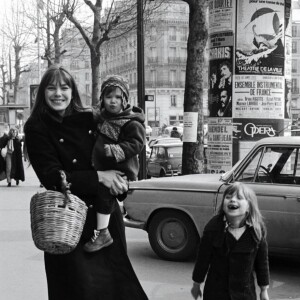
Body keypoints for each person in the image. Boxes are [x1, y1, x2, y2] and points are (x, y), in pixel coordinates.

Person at [24, 65, 148, 300]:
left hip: (103, 221)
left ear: (73, 91)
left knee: (117, 287)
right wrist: (101, 177)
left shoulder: (89, 117)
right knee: (77, 289)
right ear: (43, 93)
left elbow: (123, 143)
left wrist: (121, 180)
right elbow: (52, 177)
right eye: (51, 88)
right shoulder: (36, 126)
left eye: (64, 87)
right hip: (67, 223)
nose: (58, 93)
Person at [83, 75, 146, 253]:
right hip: (102, 168)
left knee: (105, 194)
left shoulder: (131, 122)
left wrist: (114, 150)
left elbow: (137, 144)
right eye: (109, 97)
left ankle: (102, 232)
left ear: (125, 99)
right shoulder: (100, 118)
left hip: (121, 171)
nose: (113, 101)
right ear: (102, 99)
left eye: (118, 97)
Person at [191, 182, 270, 300]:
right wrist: (196, 284)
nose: (232, 200)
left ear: (249, 206)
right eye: (228, 197)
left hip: (244, 294)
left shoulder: (256, 230)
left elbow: (262, 263)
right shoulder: (213, 227)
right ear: (223, 204)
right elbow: (203, 259)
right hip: (215, 293)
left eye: (239, 198)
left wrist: (264, 290)